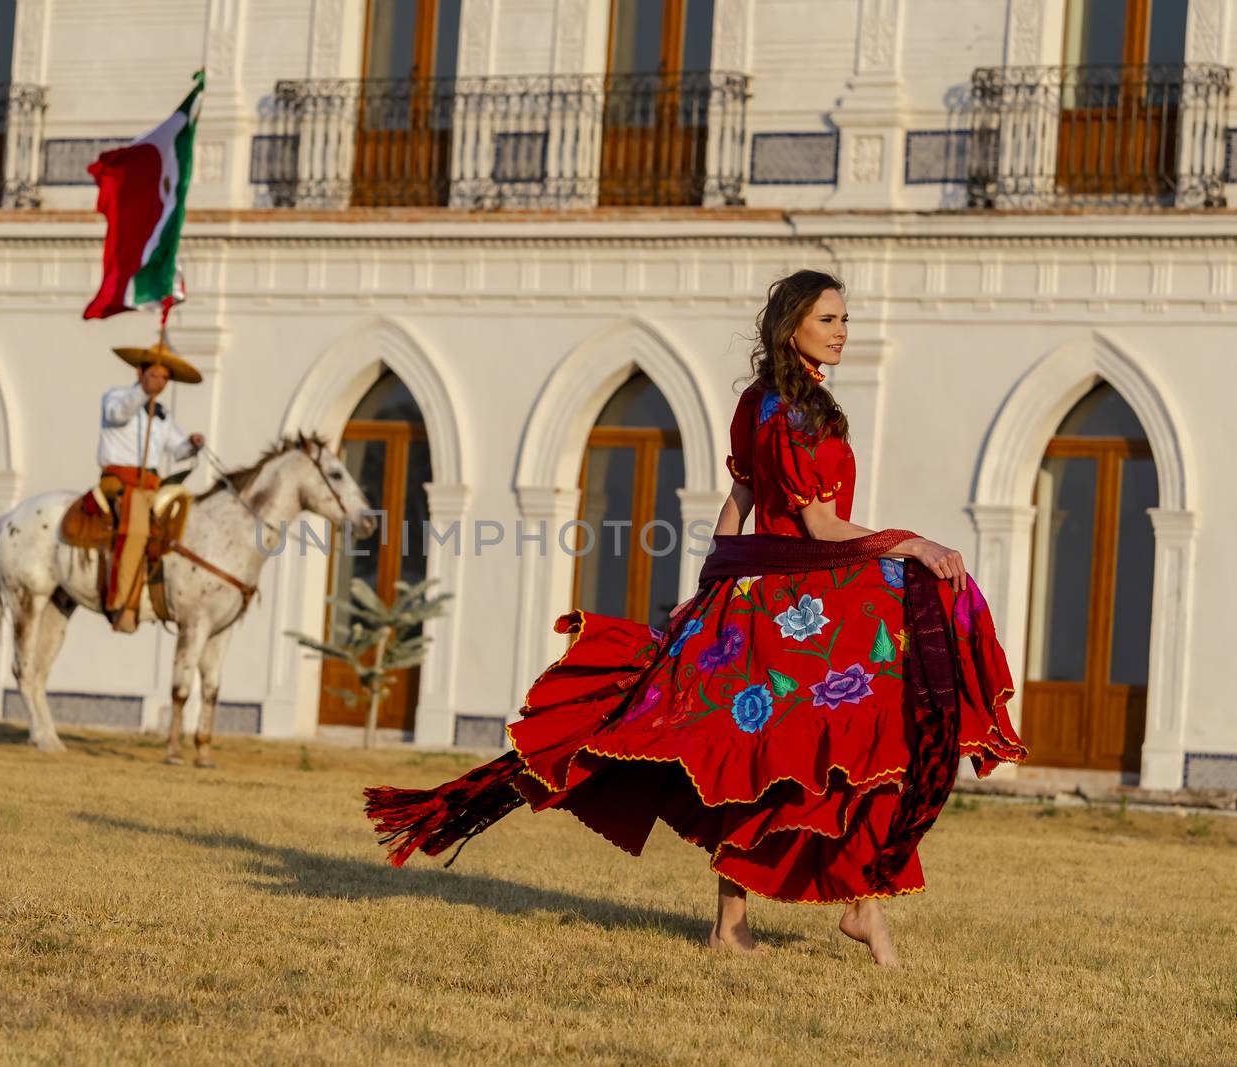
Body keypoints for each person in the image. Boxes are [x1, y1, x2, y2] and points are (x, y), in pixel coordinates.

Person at [364, 270, 1026, 967]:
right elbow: (819, 524)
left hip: (780, 599)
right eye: (829, 319)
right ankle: (753, 921)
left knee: (826, 751)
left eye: (845, 319)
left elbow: (738, 500)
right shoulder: (795, 413)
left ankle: (850, 909)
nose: (842, 331)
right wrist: (909, 542)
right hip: (793, 608)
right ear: (792, 326)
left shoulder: (763, 402)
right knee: (781, 755)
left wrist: (709, 583)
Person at [98, 340, 205, 632]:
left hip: (151, 484)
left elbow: (176, 449)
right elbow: (118, 414)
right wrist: (142, 393)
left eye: (164, 378)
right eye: (155, 375)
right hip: (121, 481)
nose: (160, 382)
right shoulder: (116, 397)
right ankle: (122, 603)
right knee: (135, 530)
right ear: (140, 374)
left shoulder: (163, 415)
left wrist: (192, 445)